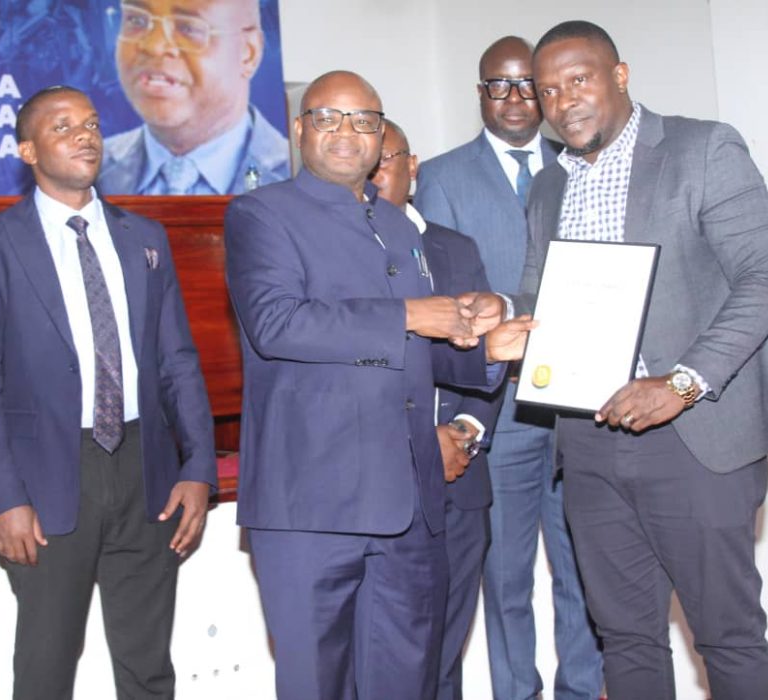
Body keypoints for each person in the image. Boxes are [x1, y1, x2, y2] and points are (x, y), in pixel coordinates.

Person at [521, 20, 768, 700]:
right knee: (624, 638)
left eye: (579, 79)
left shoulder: (703, 148)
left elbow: (765, 280)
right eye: (548, 91)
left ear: (620, 75)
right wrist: (505, 319)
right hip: (588, 439)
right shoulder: (547, 187)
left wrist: (680, 384)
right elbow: (538, 295)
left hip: (693, 432)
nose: (564, 102)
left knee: (727, 636)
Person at [224, 71, 534, 700]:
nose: (347, 132)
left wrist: (488, 355)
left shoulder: (398, 227)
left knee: (407, 683)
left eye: (365, 120)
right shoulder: (261, 213)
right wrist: (410, 314)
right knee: (318, 685)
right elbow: (277, 324)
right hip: (311, 507)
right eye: (329, 117)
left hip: (407, 506)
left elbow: (412, 353)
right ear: (300, 128)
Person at [0, 85, 217, 700]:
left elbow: (178, 362)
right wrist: (3, 498)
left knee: (148, 668)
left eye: (92, 124)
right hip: (46, 478)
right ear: (28, 151)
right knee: (46, 669)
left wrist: (198, 468)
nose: (84, 135)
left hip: (146, 471)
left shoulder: (145, 238)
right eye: (62, 127)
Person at [415, 35, 603, 700]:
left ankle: (582, 690)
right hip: (501, 407)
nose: (517, 98)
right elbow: (443, 303)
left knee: (585, 573)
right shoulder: (442, 177)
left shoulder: (582, 164)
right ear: (481, 93)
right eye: (501, 84)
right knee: (506, 579)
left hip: (582, 404)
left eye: (530, 85)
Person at [371, 119, 503, 700]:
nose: (374, 173)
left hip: (458, 481)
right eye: (365, 162)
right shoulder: (342, 253)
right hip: (380, 486)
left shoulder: (456, 248)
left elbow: (487, 355)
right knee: (389, 659)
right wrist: (418, 445)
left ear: (412, 166)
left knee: (446, 656)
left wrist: (465, 433)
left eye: (386, 159)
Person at [98, 0, 290, 195]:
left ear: (248, 53)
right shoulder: (92, 173)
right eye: (136, 20)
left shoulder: (297, 178)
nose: (153, 46)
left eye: (188, 28)